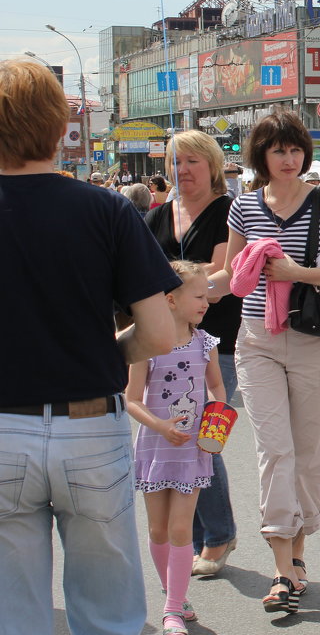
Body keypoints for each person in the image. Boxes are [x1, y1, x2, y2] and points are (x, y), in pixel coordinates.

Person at [0, 59, 178, 635]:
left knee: (14, 612)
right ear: (60, 129)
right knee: (109, 616)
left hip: (3, 426)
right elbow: (159, 333)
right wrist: (107, 356)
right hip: (91, 425)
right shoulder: (107, 210)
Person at [211, 107, 320, 615]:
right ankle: (281, 565)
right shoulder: (244, 207)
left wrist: (295, 271)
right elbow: (230, 275)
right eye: (279, 150)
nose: (289, 158)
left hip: (313, 338)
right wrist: (171, 293)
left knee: (308, 452)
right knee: (275, 449)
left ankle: (298, 555)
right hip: (256, 340)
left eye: (295, 149)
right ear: (262, 156)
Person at [145, 130, 243, 578]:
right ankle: (200, 536)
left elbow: (221, 280)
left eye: (191, 162)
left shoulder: (228, 211)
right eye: (175, 162)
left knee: (204, 437)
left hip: (213, 341)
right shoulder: (158, 214)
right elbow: (136, 273)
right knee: (177, 436)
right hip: (161, 345)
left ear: (212, 166)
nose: (182, 170)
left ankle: (218, 534)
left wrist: (173, 280)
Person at [126, 261, 227, 633]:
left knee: (182, 530)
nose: (206, 302)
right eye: (199, 296)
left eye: (207, 296)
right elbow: (132, 398)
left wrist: (218, 417)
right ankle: (175, 592)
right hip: (156, 447)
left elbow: (217, 388)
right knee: (157, 530)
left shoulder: (206, 343)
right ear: (170, 299)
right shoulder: (148, 344)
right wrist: (160, 426)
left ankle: (171, 609)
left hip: (192, 450)